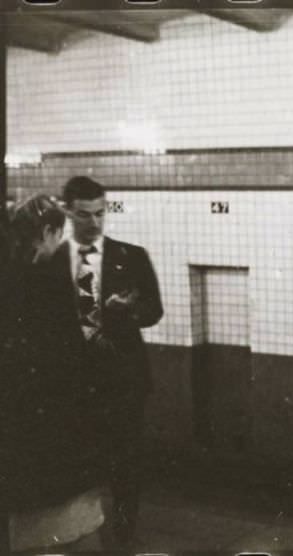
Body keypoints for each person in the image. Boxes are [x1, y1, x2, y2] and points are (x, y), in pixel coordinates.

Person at [51, 176, 163, 547]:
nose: (95, 223)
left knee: (126, 467)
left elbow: (154, 311)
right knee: (78, 463)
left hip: (122, 384)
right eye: (84, 215)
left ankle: (125, 536)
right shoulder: (50, 262)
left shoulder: (132, 256)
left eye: (101, 213)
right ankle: (80, 533)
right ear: (68, 211)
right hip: (73, 384)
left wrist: (127, 312)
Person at [0, 194, 106, 551]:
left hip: (19, 443)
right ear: (47, 232)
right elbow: (73, 355)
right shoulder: (49, 283)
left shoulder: (10, 276)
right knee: (76, 531)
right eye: (59, 235)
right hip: (57, 435)